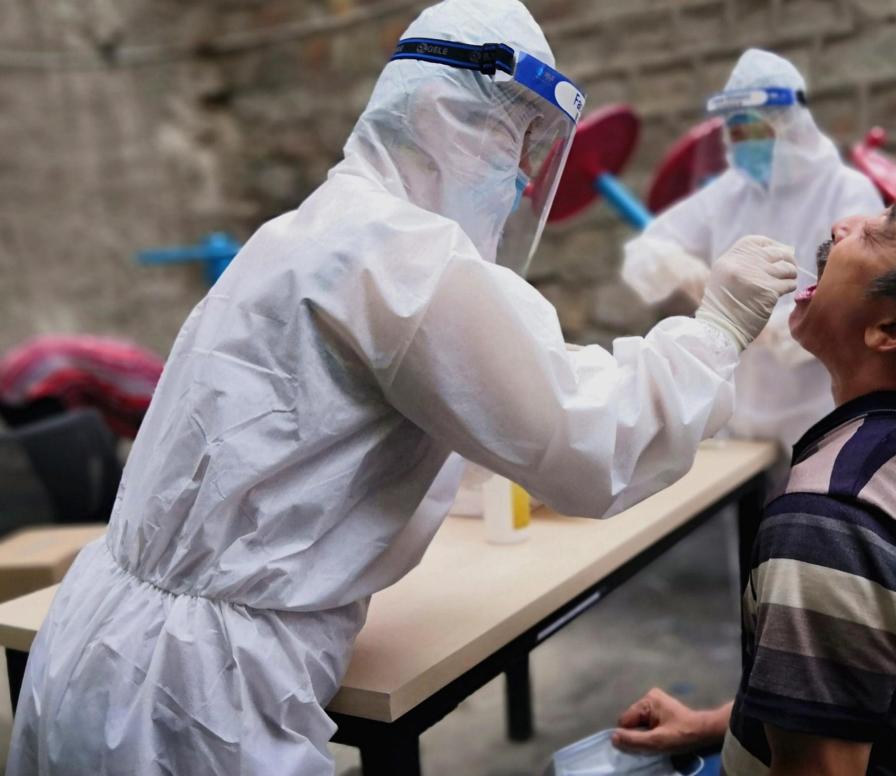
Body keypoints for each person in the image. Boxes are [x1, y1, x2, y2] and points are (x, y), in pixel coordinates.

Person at [6, 2, 798, 774]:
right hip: (205, 700)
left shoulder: (305, 230)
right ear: (440, 116)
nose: (521, 179)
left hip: (98, 643)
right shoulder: (402, 253)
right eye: (511, 140)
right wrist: (717, 329)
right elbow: (593, 443)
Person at [615, 189, 896, 775]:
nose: (844, 224)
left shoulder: (834, 518)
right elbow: (889, 684)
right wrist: (719, 726)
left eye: (878, 232)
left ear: (893, 327)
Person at [622, 49, 883, 451]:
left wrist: (781, 328)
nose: (744, 143)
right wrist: (676, 267)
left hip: (823, 416)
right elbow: (646, 250)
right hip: (739, 422)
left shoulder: (847, 190)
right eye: (736, 131)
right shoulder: (731, 193)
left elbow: (862, 297)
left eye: (755, 130)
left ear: (790, 124)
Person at [0, 335, 163, 438]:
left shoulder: (155, 379)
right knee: (56, 453)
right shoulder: (155, 399)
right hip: (35, 380)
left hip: (27, 366)